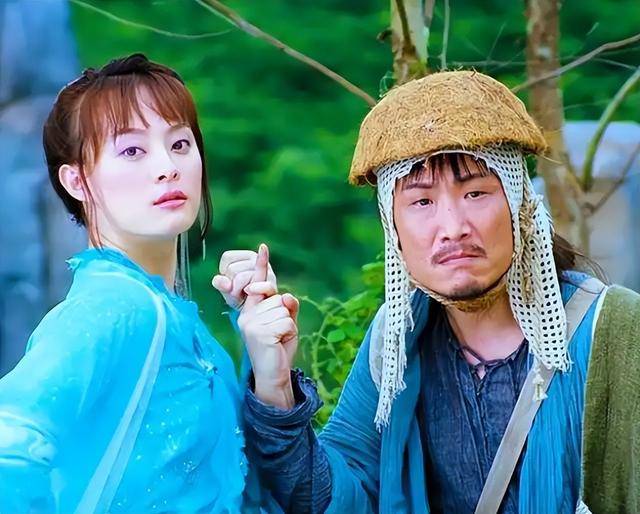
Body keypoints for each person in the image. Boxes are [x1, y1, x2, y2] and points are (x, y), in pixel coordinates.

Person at [237, 71, 640, 514]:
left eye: (476, 193)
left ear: (519, 205)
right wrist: (275, 385)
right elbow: (334, 499)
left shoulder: (613, 330)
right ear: (394, 229)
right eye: (422, 202)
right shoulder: (396, 342)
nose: (452, 228)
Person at [0, 53, 278, 514]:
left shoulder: (185, 326)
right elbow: (10, 445)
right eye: (132, 150)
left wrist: (266, 368)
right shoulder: (115, 307)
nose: (168, 166)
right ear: (76, 181)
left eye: (180, 144)